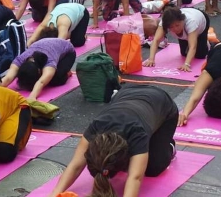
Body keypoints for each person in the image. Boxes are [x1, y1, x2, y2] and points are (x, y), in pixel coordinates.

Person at [47, 84, 178, 197]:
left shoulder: (137, 133)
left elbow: (135, 177)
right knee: (120, 162)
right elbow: (75, 165)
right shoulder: (97, 126)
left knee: (152, 169)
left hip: (161, 103)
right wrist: (55, 193)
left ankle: (169, 145)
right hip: (126, 94)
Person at [0, 38, 75, 101]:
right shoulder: (20, 60)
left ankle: (67, 73)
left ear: (39, 71)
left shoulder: (49, 62)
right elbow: (8, 78)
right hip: (46, 45)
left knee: (55, 79)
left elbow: (41, 82)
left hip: (67, 53)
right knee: (47, 78)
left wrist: (32, 96)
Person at [145, 6, 210, 72]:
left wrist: (186, 64)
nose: (175, 29)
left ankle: (208, 43)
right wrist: (151, 59)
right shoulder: (164, 23)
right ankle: (190, 38)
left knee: (200, 55)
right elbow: (156, 40)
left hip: (201, 19)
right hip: (187, 27)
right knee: (184, 54)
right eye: (171, 27)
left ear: (182, 20)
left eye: (177, 25)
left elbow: (192, 46)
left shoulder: (191, 22)